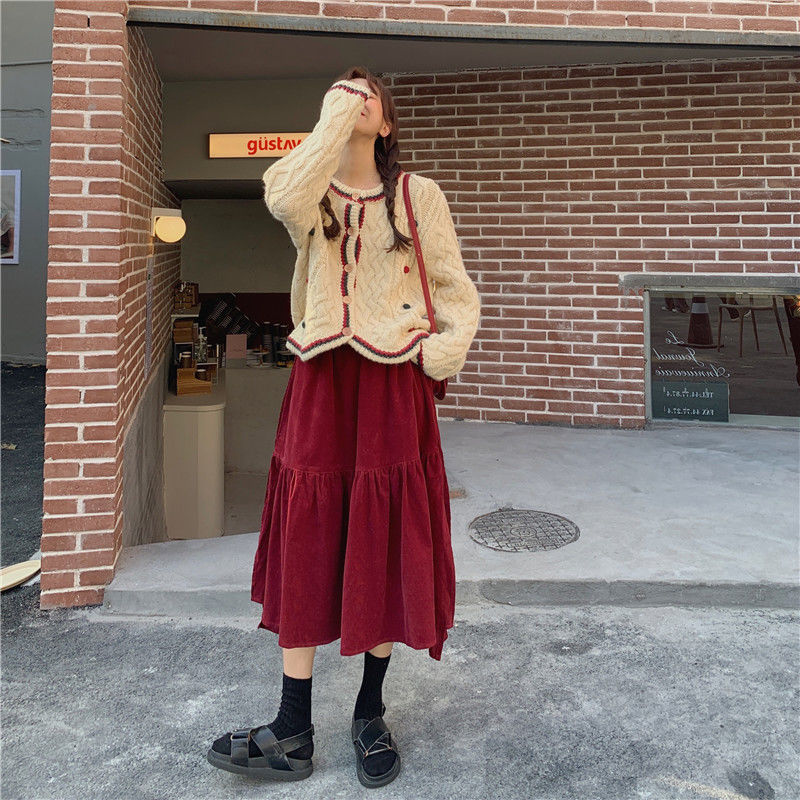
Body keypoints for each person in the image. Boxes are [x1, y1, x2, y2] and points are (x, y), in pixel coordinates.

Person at [206, 66, 481, 788]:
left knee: (384, 536)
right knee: (307, 532)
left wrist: (437, 351)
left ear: (387, 123)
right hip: (321, 376)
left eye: (368, 93)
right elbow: (281, 195)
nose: (354, 95)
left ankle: (369, 713)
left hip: (393, 383)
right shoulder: (309, 190)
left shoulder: (419, 196)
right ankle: (292, 726)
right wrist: (332, 120)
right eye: (342, 88)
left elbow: (455, 289)